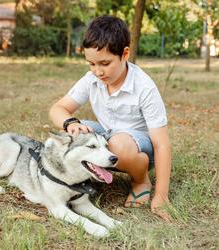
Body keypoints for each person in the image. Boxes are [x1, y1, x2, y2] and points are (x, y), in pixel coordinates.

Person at [49, 15, 172, 222]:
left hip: (138, 149)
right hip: (109, 138)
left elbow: (162, 145)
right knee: (69, 136)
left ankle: (141, 182)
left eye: (105, 63)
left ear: (125, 54)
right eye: (91, 64)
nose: (97, 71)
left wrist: (161, 197)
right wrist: (71, 123)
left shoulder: (144, 87)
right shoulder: (92, 79)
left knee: (117, 144)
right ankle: (76, 181)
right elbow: (58, 108)